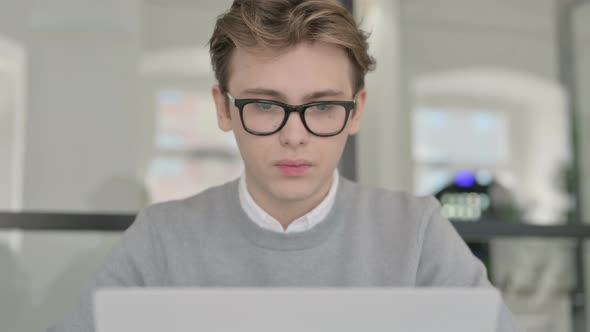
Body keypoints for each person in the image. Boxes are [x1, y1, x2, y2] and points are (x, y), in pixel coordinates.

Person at [49, 0, 523, 331]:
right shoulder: (162, 238)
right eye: (265, 105)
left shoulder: (417, 233)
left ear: (355, 111)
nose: (293, 135)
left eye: (321, 107)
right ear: (223, 108)